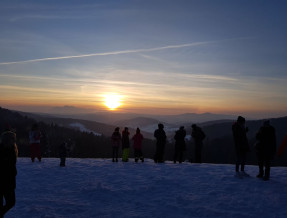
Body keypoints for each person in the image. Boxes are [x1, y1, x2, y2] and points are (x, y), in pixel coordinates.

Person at [0, 127, 18, 217]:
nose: (14, 141)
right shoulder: (8, 151)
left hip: (8, 181)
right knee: (11, 202)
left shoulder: (12, 149)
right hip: (6, 182)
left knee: (10, 202)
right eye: (13, 139)